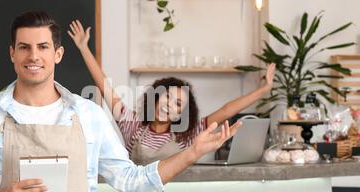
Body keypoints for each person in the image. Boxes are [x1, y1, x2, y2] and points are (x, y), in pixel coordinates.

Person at [0, 11, 241, 192]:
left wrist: (190, 153)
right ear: (12, 53)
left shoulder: (89, 115)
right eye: (24, 47)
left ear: (57, 54)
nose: (33, 56)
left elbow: (131, 181)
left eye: (43, 47)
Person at [68, 20, 276, 165]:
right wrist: (84, 48)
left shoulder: (188, 134)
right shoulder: (132, 126)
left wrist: (264, 89)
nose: (170, 104)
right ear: (156, 98)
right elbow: (105, 87)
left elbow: (227, 109)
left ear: (181, 115)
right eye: (167, 96)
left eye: (178, 104)